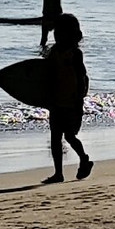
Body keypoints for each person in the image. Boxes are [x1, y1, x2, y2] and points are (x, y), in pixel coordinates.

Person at [41, 13, 93, 184]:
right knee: (55, 137)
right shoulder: (54, 52)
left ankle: (84, 158)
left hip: (72, 102)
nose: (57, 36)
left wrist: (79, 99)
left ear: (73, 35)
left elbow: (83, 78)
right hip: (56, 101)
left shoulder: (75, 54)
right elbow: (46, 74)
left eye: (61, 33)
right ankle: (58, 173)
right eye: (56, 33)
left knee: (70, 136)